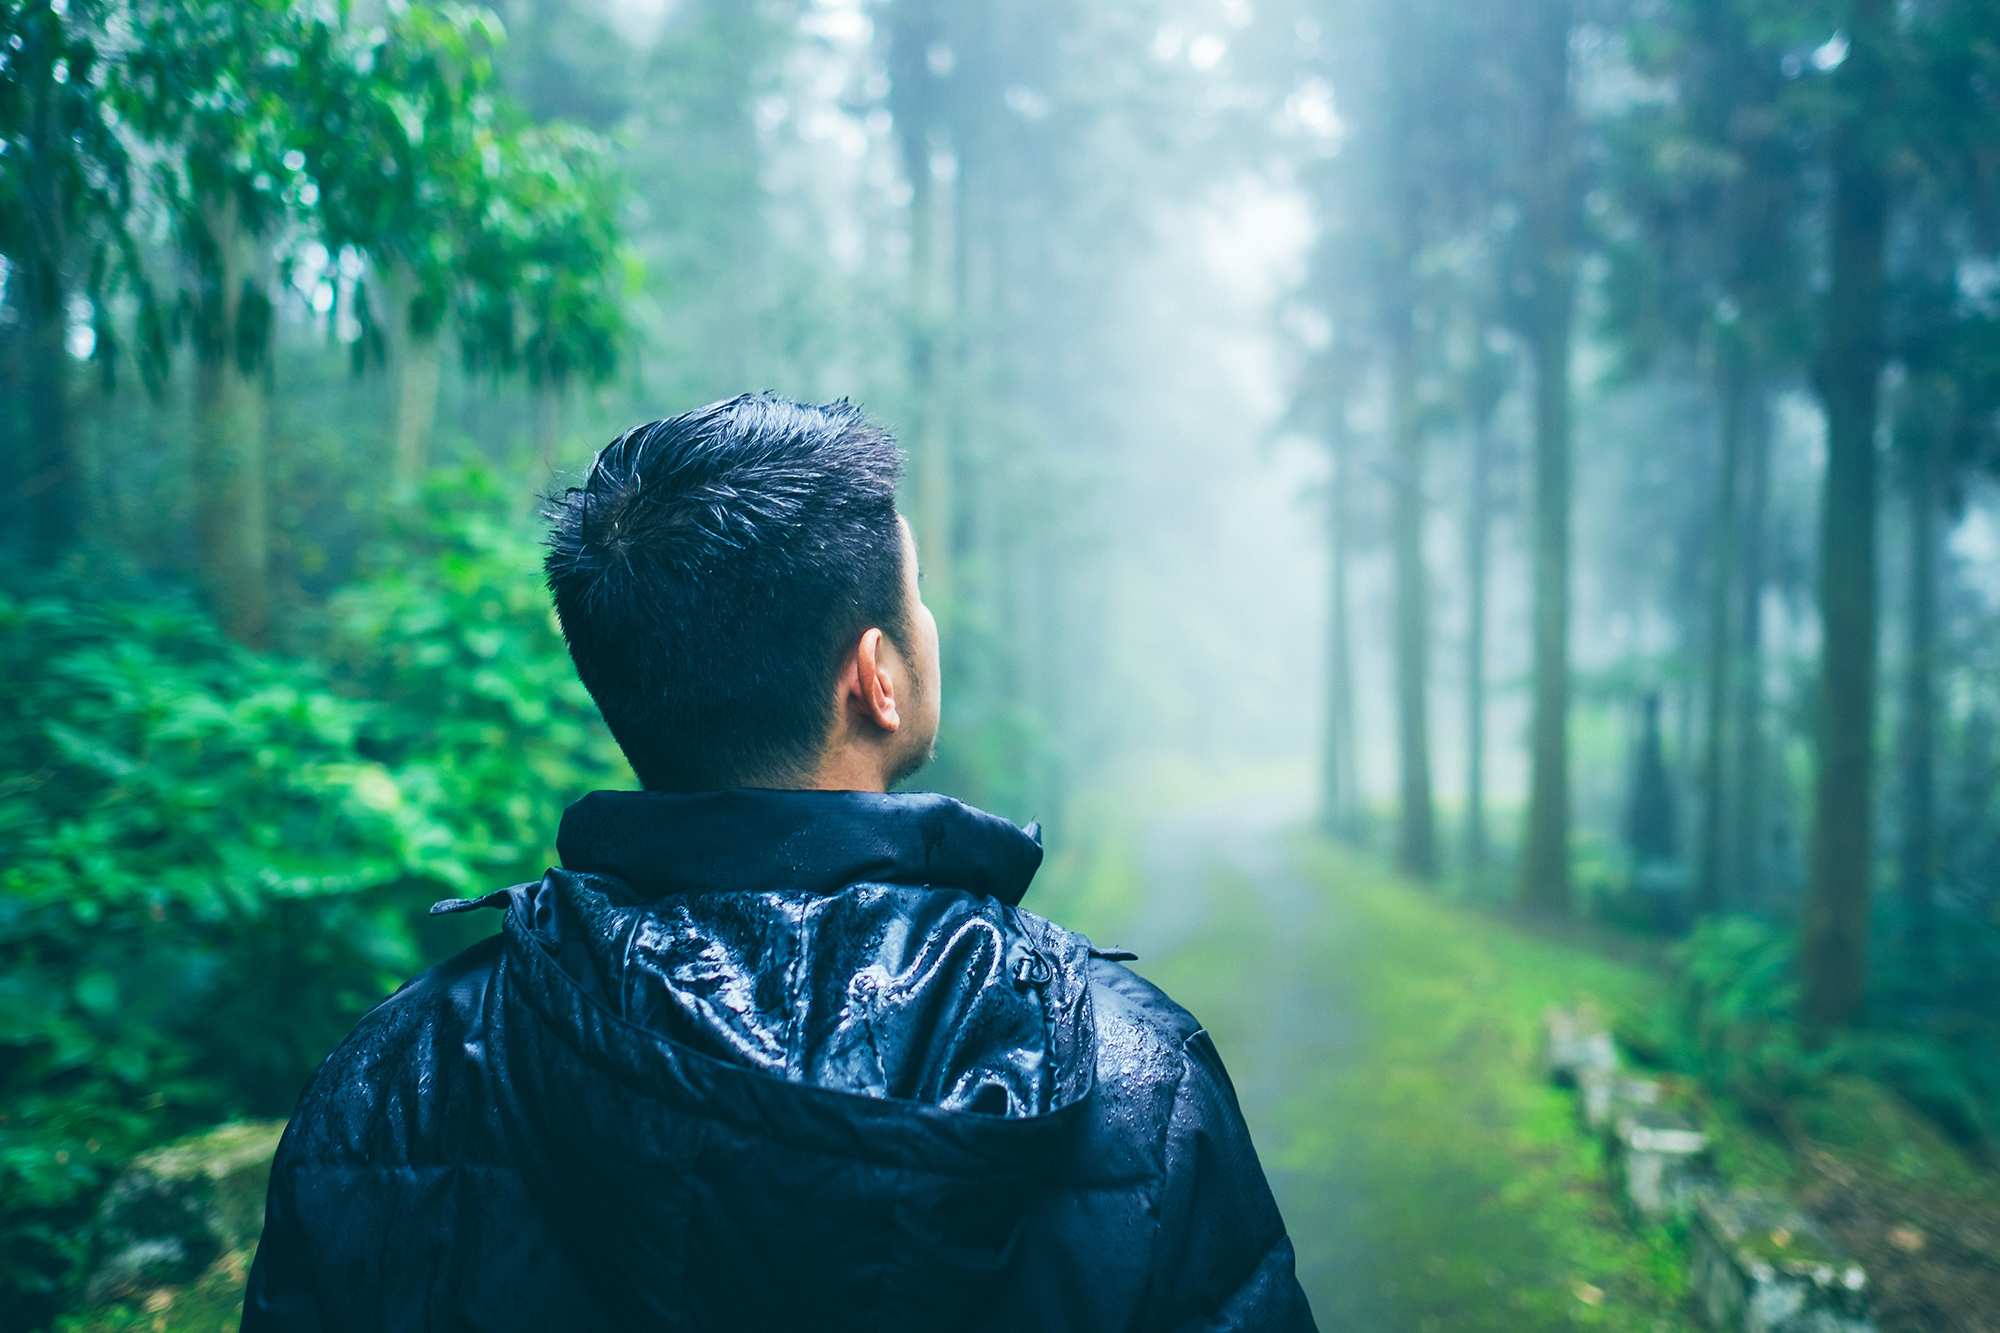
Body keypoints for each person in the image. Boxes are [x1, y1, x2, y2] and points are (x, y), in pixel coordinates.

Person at [242, 393, 1315, 1332]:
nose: (927, 619)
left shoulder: (394, 1079)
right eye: (917, 594)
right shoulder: (1126, 1072)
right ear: (875, 677)